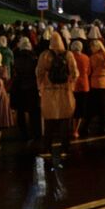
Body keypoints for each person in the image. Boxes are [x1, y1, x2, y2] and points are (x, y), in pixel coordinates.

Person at [36, 31, 79, 164]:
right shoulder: (69, 55)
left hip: (49, 92)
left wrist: (41, 87)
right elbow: (75, 73)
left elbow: (39, 72)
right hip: (65, 91)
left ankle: (47, 148)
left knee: (49, 122)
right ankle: (65, 148)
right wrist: (70, 83)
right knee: (65, 121)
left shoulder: (45, 55)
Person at [12, 38, 40, 146]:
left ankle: (23, 133)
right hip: (31, 87)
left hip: (19, 87)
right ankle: (35, 133)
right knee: (34, 112)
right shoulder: (34, 59)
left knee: (21, 111)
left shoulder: (17, 59)